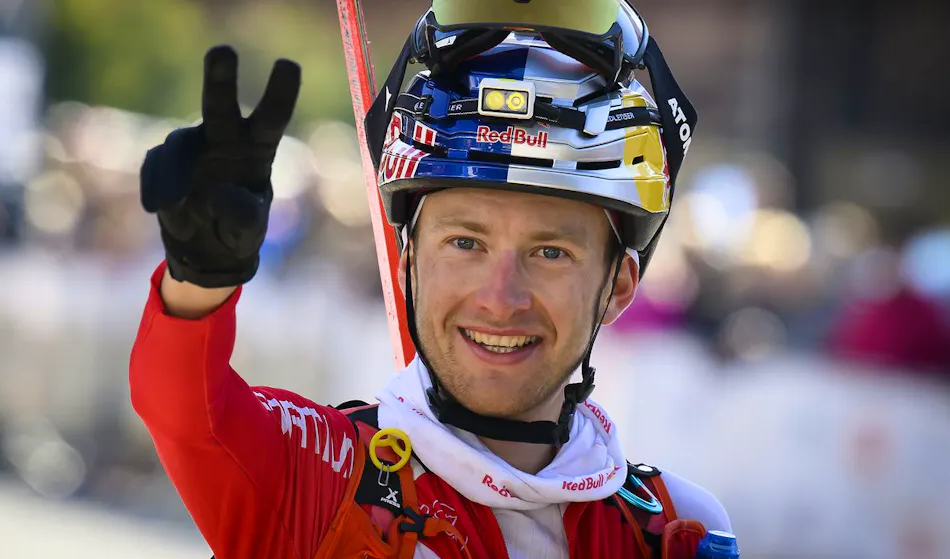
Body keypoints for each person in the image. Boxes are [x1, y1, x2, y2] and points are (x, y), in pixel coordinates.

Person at [132, 2, 731, 557]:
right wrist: (200, 280)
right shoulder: (315, 474)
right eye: (465, 243)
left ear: (618, 287)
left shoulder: (680, 530)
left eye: (550, 253)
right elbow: (186, 411)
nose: (500, 298)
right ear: (407, 260)